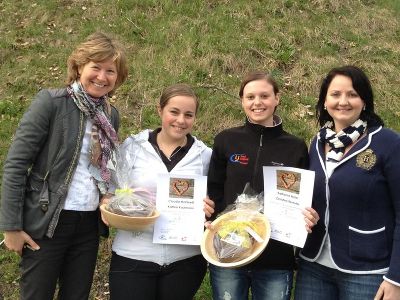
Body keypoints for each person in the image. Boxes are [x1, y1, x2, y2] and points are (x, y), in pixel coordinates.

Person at [0, 32, 128, 300]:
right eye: (95, 67)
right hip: (47, 221)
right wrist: (11, 226)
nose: (102, 77)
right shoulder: (51, 103)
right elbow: (16, 165)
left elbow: (103, 168)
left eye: (110, 71)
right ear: (80, 66)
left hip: (87, 226)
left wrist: (108, 198)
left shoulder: (110, 115)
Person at [207, 71, 319, 300]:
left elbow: (302, 199)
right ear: (242, 101)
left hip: (275, 258)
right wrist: (211, 219)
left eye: (264, 96)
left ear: (277, 98)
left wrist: (306, 217)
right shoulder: (226, 140)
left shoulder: (295, 147)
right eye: (250, 97)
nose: (257, 102)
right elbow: (214, 189)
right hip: (229, 251)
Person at [294, 65, 400, 300]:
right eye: (335, 94)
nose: (343, 101)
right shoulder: (317, 143)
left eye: (352, 94)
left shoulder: (389, 144)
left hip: (367, 270)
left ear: (364, 101)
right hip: (314, 264)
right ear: (324, 101)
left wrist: (396, 278)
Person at [106, 83, 214, 300]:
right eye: (174, 112)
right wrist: (112, 206)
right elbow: (109, 191)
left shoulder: (205, 156)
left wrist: (210, 208)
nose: (181, 120)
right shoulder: (133, 147)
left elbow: (216, 201)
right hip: (133, 255)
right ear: (160, 110)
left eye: (188, 114)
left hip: (185, 261)